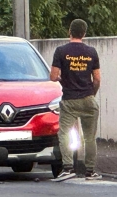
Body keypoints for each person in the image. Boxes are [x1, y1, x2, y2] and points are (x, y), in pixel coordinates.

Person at [50, 19, 101, 181]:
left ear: (69, 32)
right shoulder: (92, 52)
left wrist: (61, 78)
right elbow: (97, 79)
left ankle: (67, 168)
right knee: (90, 137)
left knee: (64, 133)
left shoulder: (60, 51)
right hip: (88, 99)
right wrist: (91, 94)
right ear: (84, 34)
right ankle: (90, 171)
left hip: (70, 100)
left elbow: (53, 76)